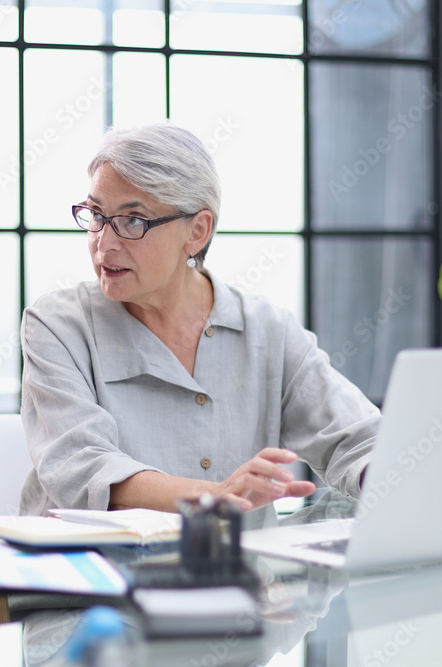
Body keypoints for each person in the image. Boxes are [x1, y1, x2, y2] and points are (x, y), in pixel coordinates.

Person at [19, 123, 378, 528]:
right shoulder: (56, 326)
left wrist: (391, 475)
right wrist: (216, 495)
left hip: (239, 582)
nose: (104, 243)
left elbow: (358, 439)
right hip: (88, 580)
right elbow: (83, 467)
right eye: (97, 215)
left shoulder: (267, 330)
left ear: (197, 230)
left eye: (133, 221)